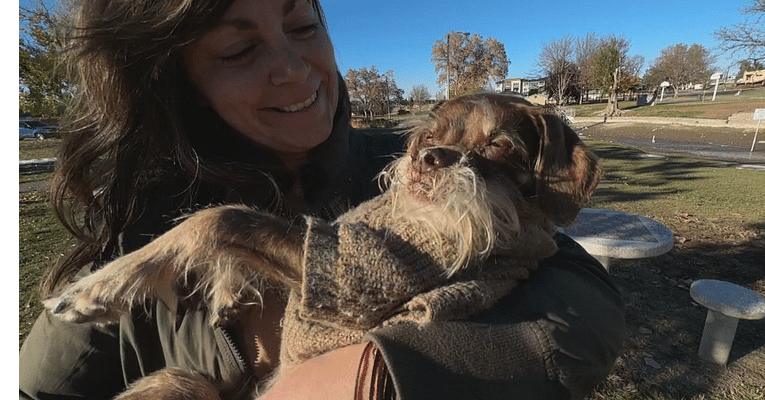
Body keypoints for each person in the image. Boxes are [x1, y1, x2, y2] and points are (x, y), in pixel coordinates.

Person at [19, 0, 626, 399]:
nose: (292, 67)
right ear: (184, 83)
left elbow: (584, 300)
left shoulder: (409, 175)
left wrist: (375, 372)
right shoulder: (133, 232)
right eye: (238, 50)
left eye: (304, 27)